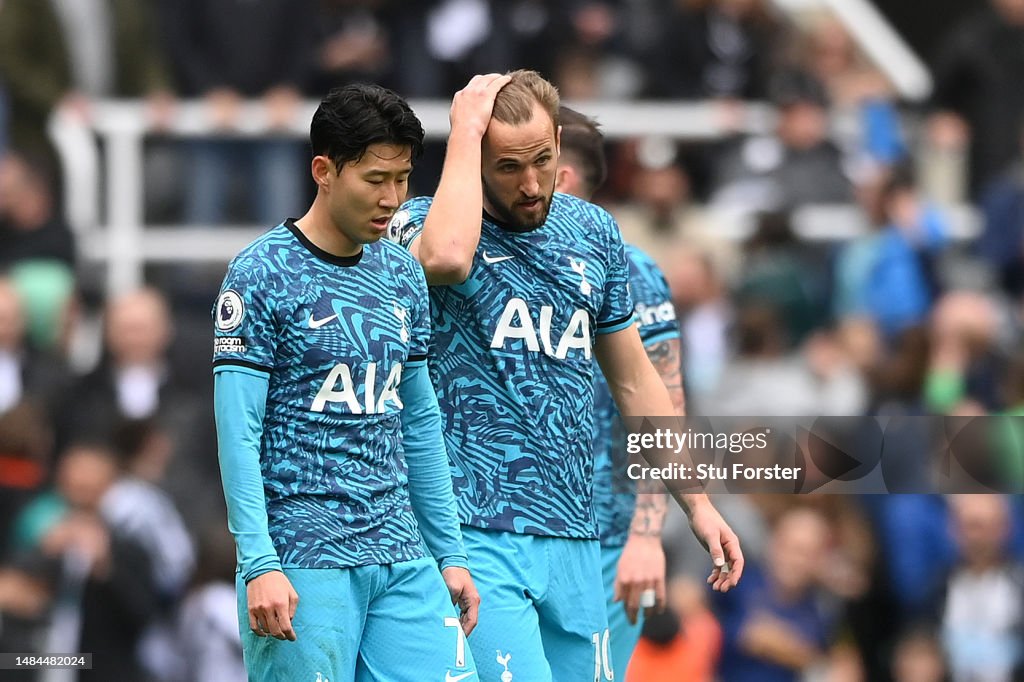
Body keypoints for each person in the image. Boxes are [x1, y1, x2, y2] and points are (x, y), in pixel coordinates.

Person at [389, 69, 743, 682]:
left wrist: (699, 504)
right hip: (475, 529)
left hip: (576, 534)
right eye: (507, 167)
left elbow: (637, 384)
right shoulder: (420, 223)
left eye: (543, 160)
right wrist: (465, 129)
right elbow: (444, 259)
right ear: (473, 158)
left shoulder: (596, 234)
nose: (531, 185)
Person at [212, 83, 479, 681]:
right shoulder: (260, 273)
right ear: (323, 171)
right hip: (303, 557)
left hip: (401, 552)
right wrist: (259, 562)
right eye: (375, 179)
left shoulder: (404, 273)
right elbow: (237, 432)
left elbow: (419, 422)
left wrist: (451, 553)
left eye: (403, 179)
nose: (392, 198)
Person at [554, 105, 684, 681]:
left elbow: (666, 407)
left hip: (606, 543)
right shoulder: (475, 261)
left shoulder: (632, 271)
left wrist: (646, 535)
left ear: (562, 177)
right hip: (501, 538)